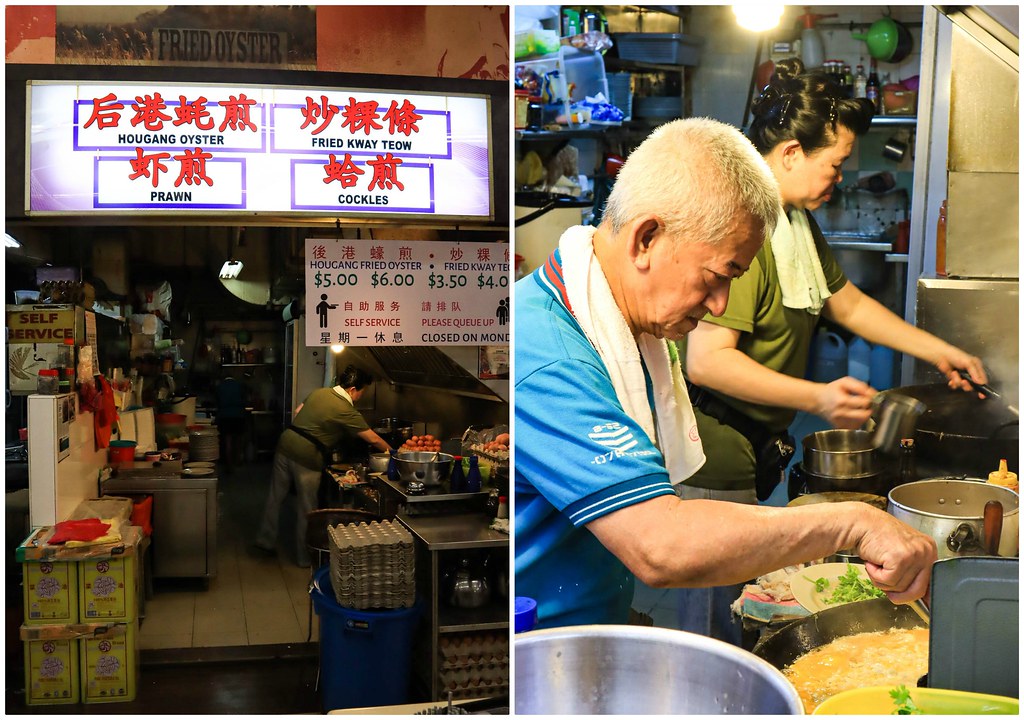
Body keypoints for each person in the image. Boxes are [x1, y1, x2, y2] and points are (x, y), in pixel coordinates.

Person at [513, 116, 937, 631]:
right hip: (536, 645)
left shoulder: (627, 321)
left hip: (593, 623)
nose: (719, 305)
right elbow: (660, 547)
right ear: (646, 238)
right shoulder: (554, 356)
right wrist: (853, 521)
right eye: (718, 276)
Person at [674, 59, 985, 643]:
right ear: (791, 153)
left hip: (753, 448)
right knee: (711, 626)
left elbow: (848, 304)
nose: (838, 178)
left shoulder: (796, 224)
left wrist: (941, 351)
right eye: (835, 163)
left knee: (734, 608)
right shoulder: (751, 231)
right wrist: (817, 395)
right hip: (710, 457)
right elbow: (707, 360)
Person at [254, 364, 391, 566]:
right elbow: (373, 439)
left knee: (276, 496)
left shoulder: (319, 393)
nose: (361, 396)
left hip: (286, 444)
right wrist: (394, 453)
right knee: (307, 508)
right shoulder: (346, 409)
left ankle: (265, 540)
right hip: (307, 455)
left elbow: (298, 411)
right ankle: (304, 558)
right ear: (353, 390)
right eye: (362, 392)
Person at [215, 375, 248, 473]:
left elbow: (217, 401)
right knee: (238, 439)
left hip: (225, 416)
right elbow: (245, 400)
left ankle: (229, 464)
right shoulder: (240, 385)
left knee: (227, 440)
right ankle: (237, 461)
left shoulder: (220, 386)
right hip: (239, 416)